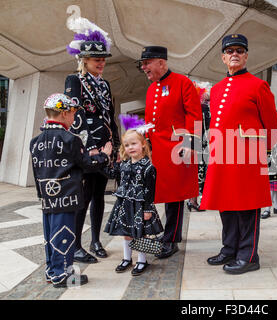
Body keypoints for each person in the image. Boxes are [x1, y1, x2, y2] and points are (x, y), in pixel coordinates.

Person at [200, 34, 277, 274]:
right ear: (223, 57)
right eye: (230, 51)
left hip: (248, 158)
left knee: (246, 206)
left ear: (246, 56)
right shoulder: (217, 89)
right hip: (223, 155)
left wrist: (261, 155)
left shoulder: (258, 85)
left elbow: (272, 126)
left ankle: (248, 255)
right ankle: (229, 249)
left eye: (239, 50)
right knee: (226, 204)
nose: (234, 54)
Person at [30, 93, 112, 287]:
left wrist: (42, 195)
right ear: (64, 114)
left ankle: (52, 271)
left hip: (47, 197)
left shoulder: (35, 142)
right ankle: (63, 276)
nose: (75, 117)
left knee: (50, 236)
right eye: (73, 113)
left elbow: (36, 172)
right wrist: (104, 155)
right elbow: (87, 165)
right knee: (65, 236)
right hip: (66, 196)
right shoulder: (70, 139)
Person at [138, 46, 202, 259]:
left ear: (161, 63)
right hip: (157, 150)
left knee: (174, 195)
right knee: (160, 193)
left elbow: (194, 115)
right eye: (143, 64)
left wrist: (188, 143)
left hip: (177, 149)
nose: (143, 67)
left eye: (147, 63)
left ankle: (171, 239)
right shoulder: (150, 89)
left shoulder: (183, 83)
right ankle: (167, 234)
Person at [65, 18, 120, 263]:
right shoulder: (74, 81)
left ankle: (95, 240)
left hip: (106, 148)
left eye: (103, 59)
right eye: (97, 59)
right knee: (84, 196)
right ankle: (76, 245)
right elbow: (76, 118)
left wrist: (115, 146)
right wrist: (90, 150)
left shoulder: (105, 85)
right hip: (87, 149)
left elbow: (110, 116)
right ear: (84, 59)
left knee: (99, 195)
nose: (102, 63)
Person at [104, 117, 163, 276]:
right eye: (127, 145)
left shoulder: (148, 167)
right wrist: (105, 158)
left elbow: (151, 191)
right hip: (124, 205)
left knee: (140, 233)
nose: (130, 147)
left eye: (134, 144)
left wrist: (148, 209)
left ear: (143, 144)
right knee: (126, 232)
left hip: (141, 206)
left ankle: (142, 260)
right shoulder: (123, 164)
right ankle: (126, 258)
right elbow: (110, 174)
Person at [187, 81, 213, 212]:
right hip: (199, 145)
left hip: (196, 143)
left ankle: (193, 201)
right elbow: (204, 128)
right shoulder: (202, 108)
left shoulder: (200, 107)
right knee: (198, 173)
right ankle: (194, 201)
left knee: (196, 173)